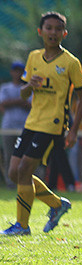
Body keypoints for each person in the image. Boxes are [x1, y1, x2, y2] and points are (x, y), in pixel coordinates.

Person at [4, 12, 82, 236]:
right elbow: (23, 95)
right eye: (48, 28)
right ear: (40, 32)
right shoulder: (33, 57)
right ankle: (56, 204)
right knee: (14, 173)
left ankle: (22, 226)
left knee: (24, 170)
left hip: (54, 124)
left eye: (58, 29)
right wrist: (29, 85)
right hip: (32, 122)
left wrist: (74, 132)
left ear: (64, 33)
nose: (53, 32)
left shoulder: (71, 62)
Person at [1, 61, 31, 189]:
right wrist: (19, 101)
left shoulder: (28, 87)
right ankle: (10, 183)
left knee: (24, 156)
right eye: (16, 71)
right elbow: (2, 104)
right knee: (9, 155)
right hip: (8, 127)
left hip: (24, 126)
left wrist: (13, 102)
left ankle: (24, 181)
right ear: (12, 72)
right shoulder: (5, 88)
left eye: (20, 71)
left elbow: (30, 105)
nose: (18, 74)